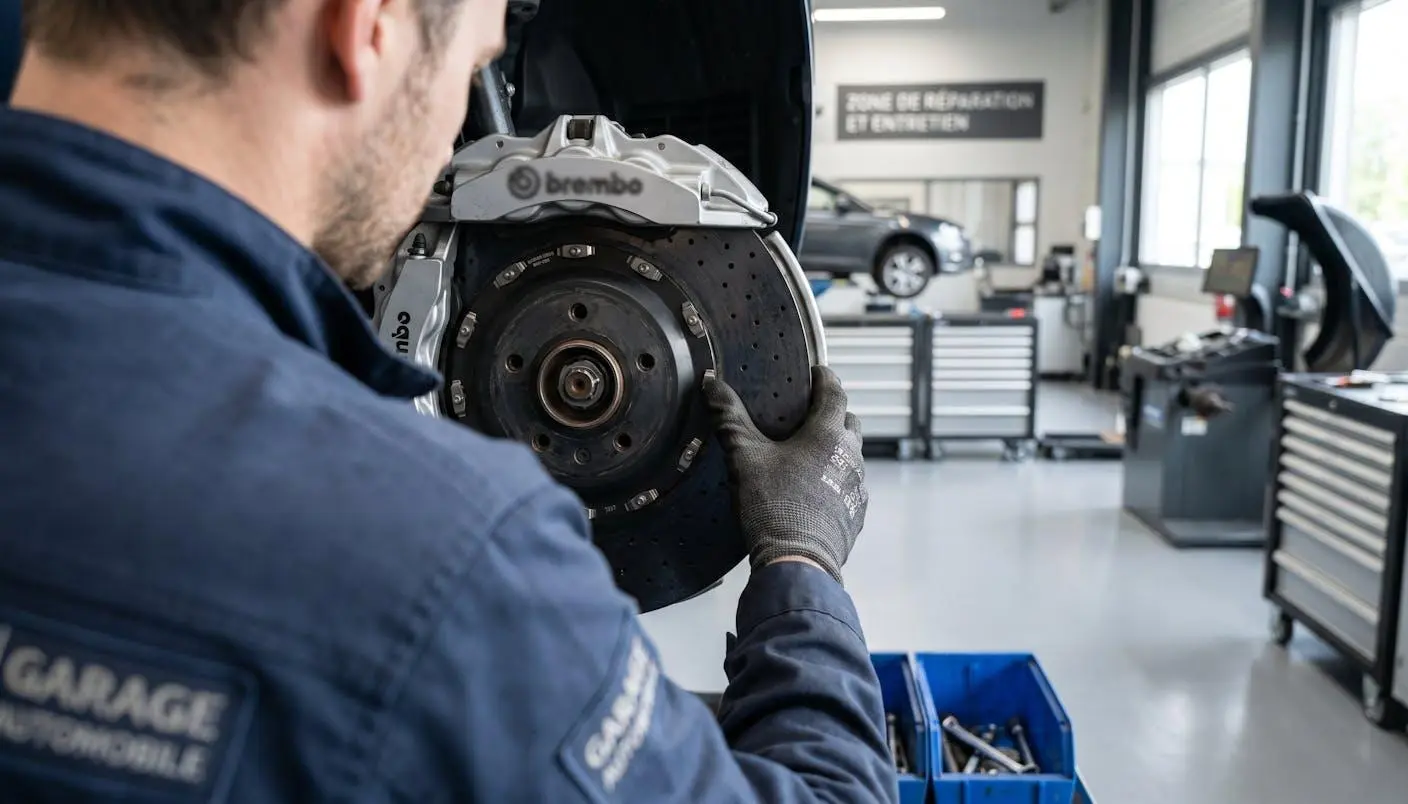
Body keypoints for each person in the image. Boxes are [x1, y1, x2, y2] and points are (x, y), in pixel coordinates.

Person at [0, 1, 892, 801]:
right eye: (472, 68)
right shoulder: (446, 558)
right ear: (367, 26)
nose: (456, 136)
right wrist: (800, 566)